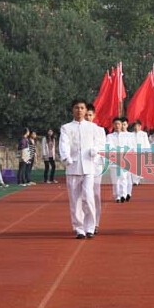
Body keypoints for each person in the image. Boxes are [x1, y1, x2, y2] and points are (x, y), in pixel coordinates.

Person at [59, 99, 105, 239]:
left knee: (88, 196)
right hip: (73, 167)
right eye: (76, 108)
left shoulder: (93, 128)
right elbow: (64, 144)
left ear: (86, 110)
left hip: (89, 167)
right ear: (72, 110)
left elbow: (100, 143)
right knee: (75, 199)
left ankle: (90, 226)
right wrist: (66, 158)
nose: (79, 110)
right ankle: (79, 228)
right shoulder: (66, 128)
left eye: (82, 108)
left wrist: (95, 151)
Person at [85, 104, 107, 234]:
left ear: (94, 116)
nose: (88, 117)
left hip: (96, 166)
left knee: (96, 194)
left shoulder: (100, 130)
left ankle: (96, 222)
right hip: (83, 166)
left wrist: (96, 152)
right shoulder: (78, 129)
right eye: (86, 115)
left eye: (90, 115)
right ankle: (86, 223)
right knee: (84, 196)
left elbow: (103, 146)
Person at [106, 117, 132, 203]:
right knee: (115, 179)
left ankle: (123, 195)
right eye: (115, 124)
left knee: (123, 178)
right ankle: (117, 195)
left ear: (121, 125)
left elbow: (130, 147)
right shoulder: (109, 136)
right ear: (113, 125)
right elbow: (109, 147)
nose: (117, 126)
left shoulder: (127, 136)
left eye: (119, 124)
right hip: (114, 160)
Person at [131, 120, 151, 186]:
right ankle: (135, 181)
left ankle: (138, 180)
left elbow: (146, 143)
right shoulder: (131, 134)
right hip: (133, 152)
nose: (136, 127)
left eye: (137, 126)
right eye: (135, 126)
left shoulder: (144, 134)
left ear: (140, 126)